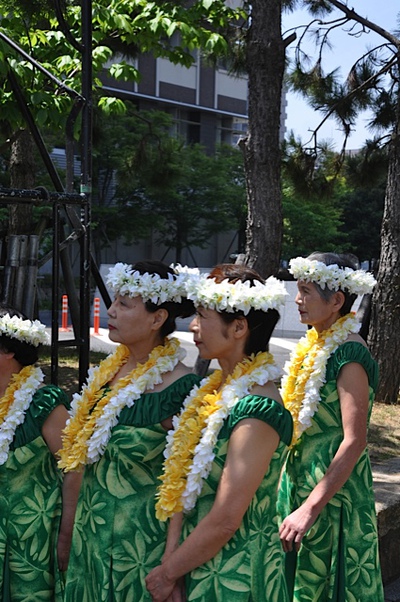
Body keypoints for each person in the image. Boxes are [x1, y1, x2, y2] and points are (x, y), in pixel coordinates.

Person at [145, 263, 293, 602]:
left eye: (202, 315)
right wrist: (173, 561)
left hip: (236, 574)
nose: (192, 326)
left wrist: (167, 574)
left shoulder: (258, 407)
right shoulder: (210, 391)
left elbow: (227, 518)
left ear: (239, 326)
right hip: (191, 561)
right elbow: (181, 482)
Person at [59, 260, 200, 601]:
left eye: (124, 303)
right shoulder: (105, 375)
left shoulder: (182, 388)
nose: (111, 310)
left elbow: (185, 484)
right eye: (114, 301)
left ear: (157, 318)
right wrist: (66, 534)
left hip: (141, 552)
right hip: (89, 542)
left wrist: (172, 565)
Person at [278, 252, 384, 602]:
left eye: (306, 291)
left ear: (337, 300)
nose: (298, 299)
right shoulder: (315, 343)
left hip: (330, 493)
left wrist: (310, 508)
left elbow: (354, 441)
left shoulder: (348, 352)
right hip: (299, 480)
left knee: (321, 586)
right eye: (298, 289)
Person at [0, 306, 75, 601]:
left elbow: (74, 468)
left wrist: (67, 534)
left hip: (33, 538)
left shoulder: (43, 403)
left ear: (8, 351)